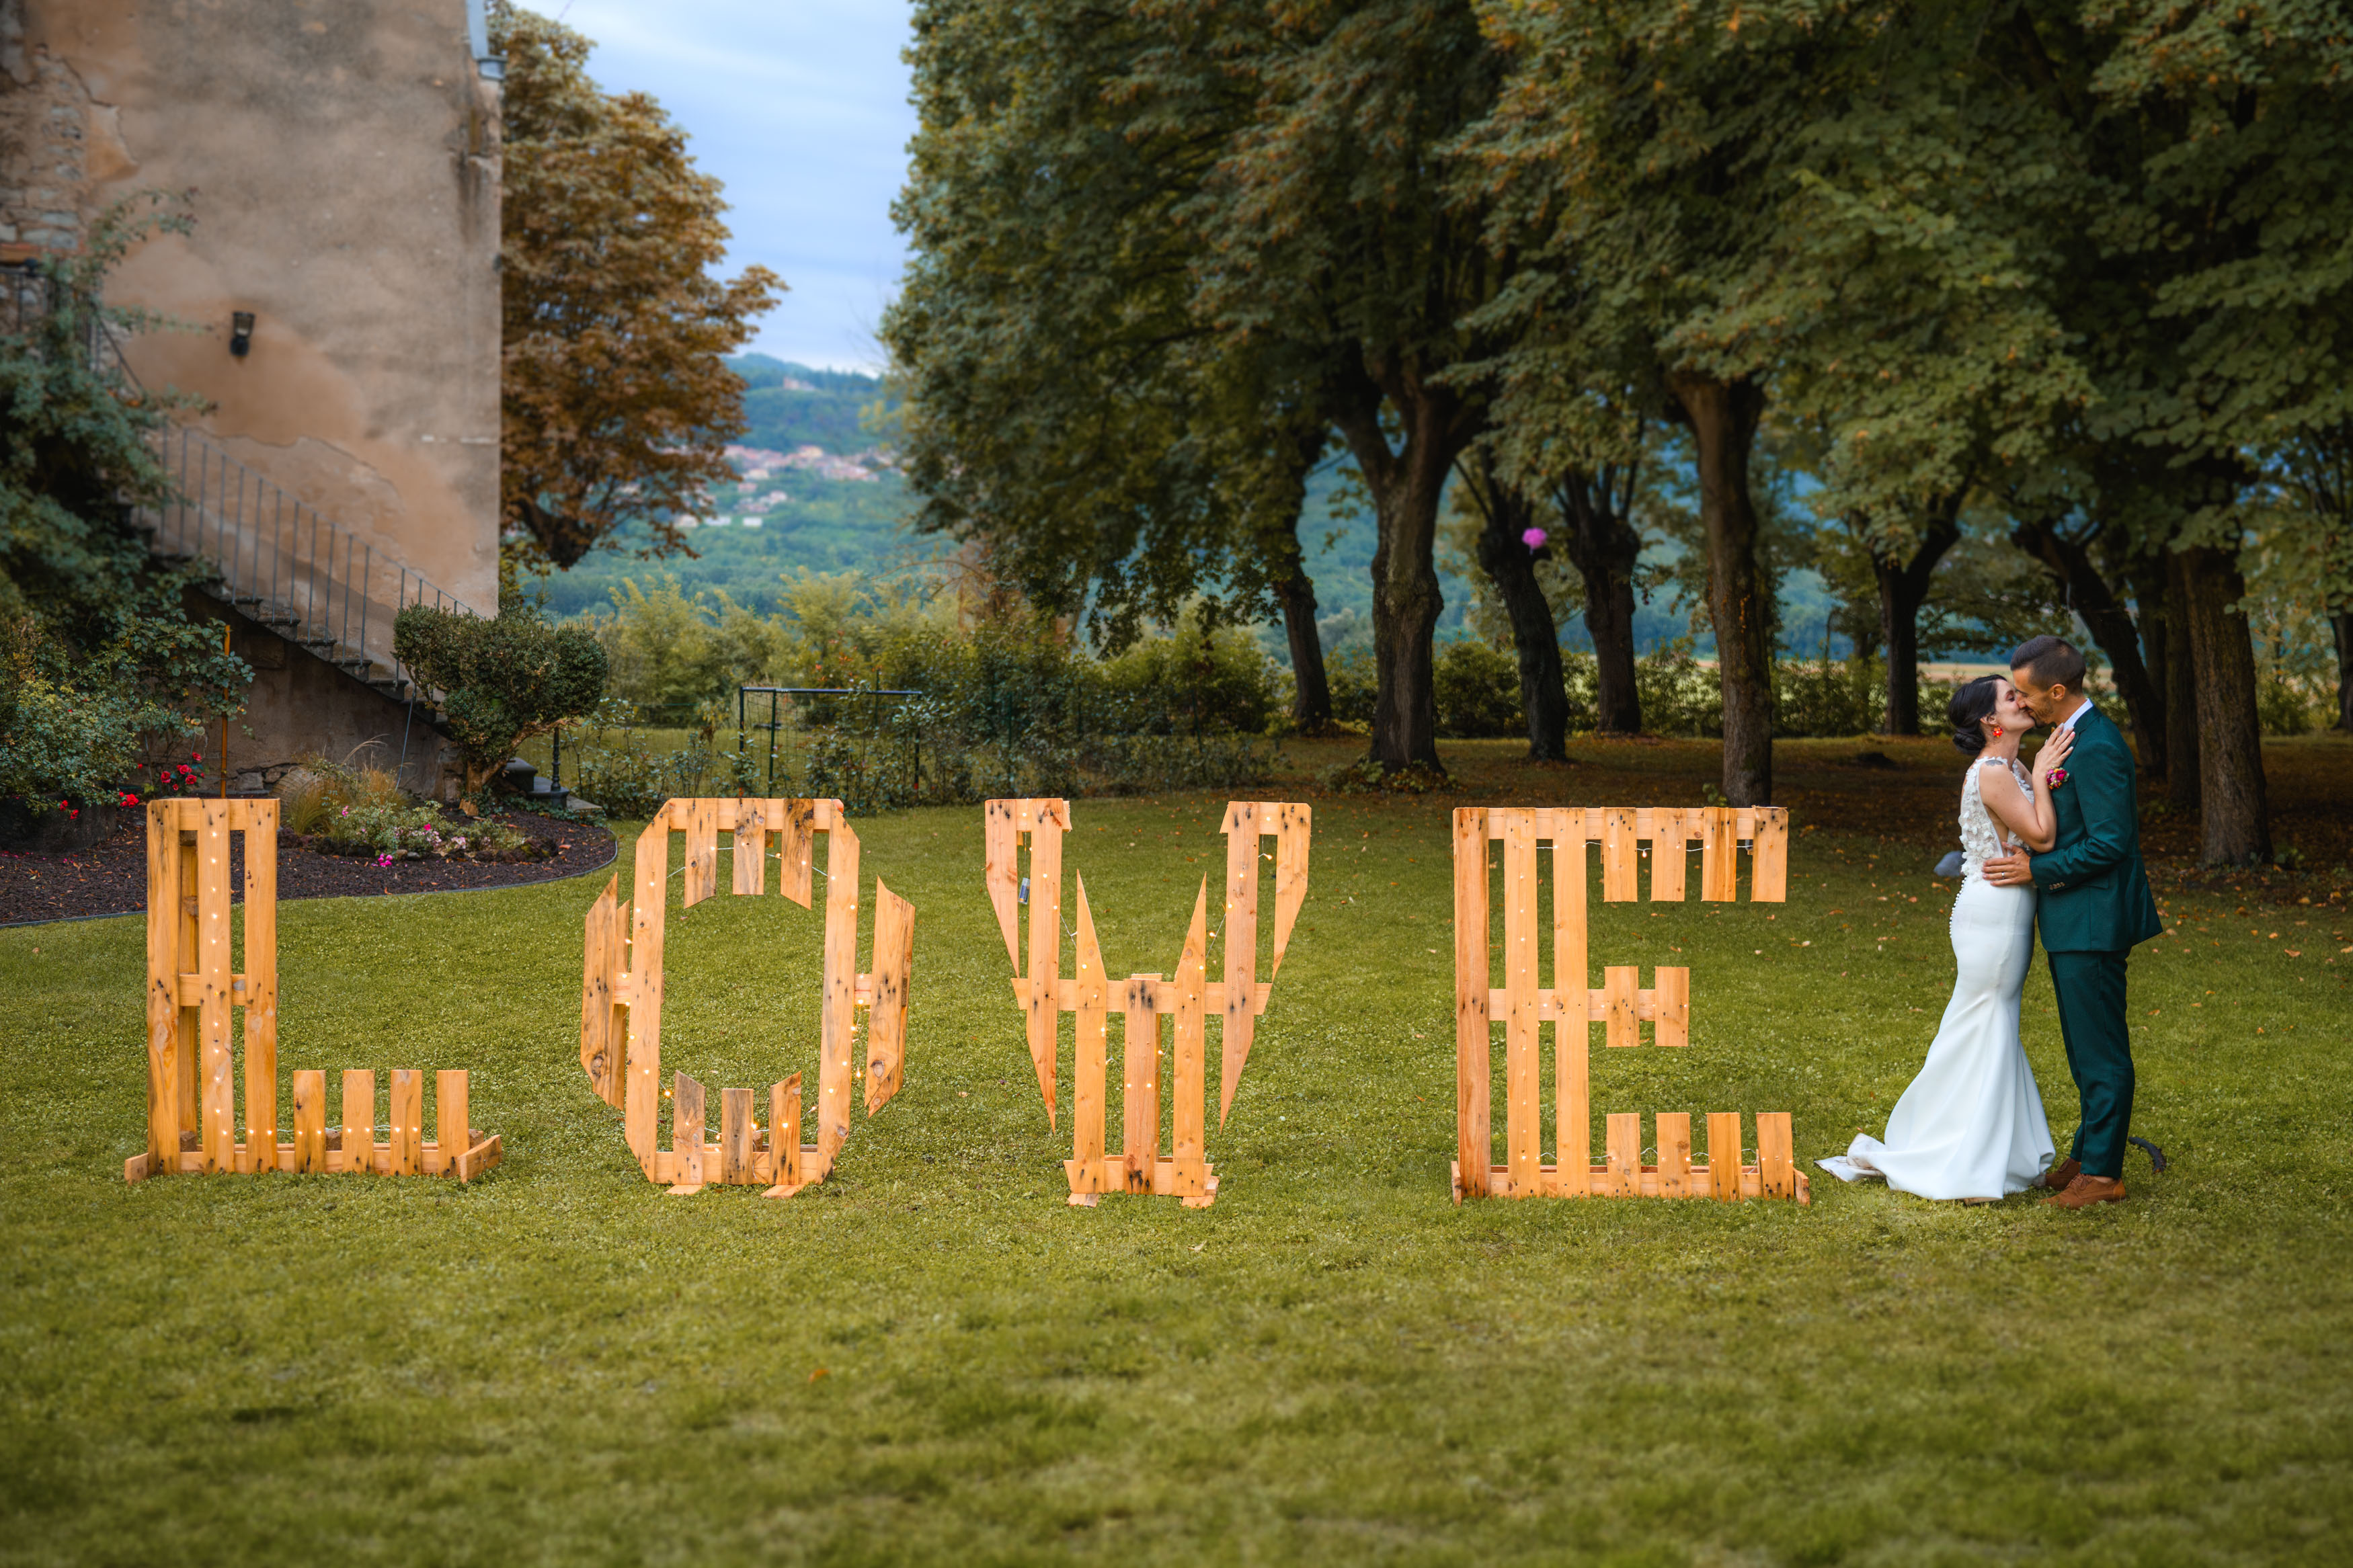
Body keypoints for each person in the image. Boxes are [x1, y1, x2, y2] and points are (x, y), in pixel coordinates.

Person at [1818, 675, 2073, 1200]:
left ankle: (1991, 1146)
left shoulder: (2011, 767)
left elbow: (2041, 838)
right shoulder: (1997, 772)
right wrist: (2046, 774)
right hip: (1995, 916)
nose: (2022, 700)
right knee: (1985, 1022)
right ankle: (1962, 1152)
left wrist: (2038, 775)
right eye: (2011, 697)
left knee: (1987, 1020)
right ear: (1990, 720)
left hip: (2003, 906)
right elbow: (2043, 835)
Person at [1983, 634, 2163, 1208]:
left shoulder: (2099, 746)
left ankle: (2105, 1173)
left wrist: (2037, 869)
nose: (2022, 702)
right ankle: (2088, 1152)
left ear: (2057, 691)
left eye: (2028, 693)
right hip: (2071, 918)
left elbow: (2112, 843)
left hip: (2094, 918)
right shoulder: (2069, 739)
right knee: (2082, 1046)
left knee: (2102, 1050)